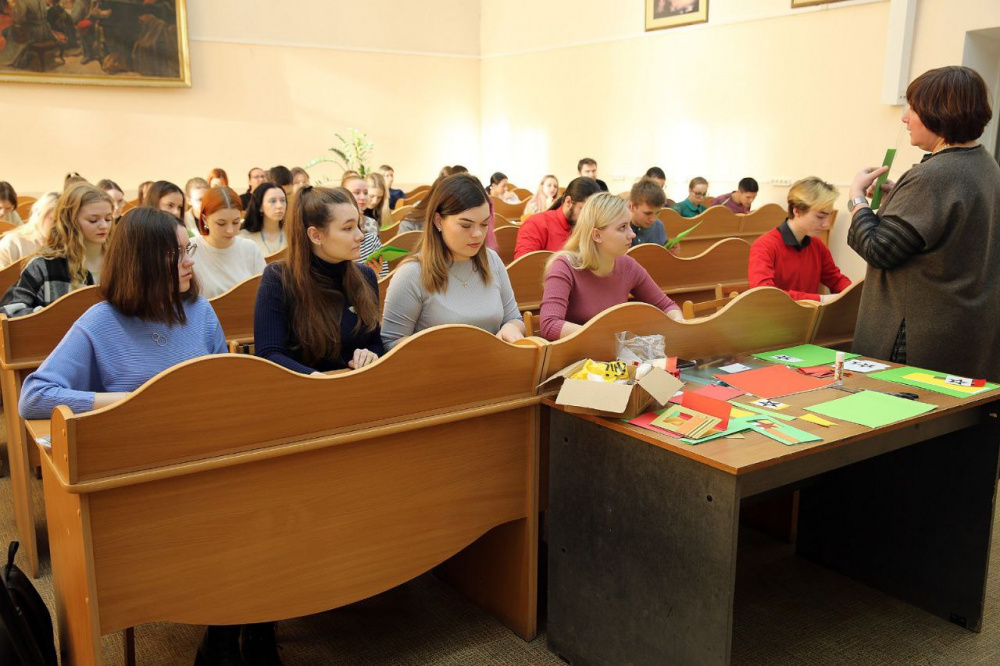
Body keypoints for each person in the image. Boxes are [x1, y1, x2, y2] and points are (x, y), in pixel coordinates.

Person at [847, 66, 1000, 379]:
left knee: (899, 407)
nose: (905, 118)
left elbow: (879, 249)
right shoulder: (986, 165)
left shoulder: (933, 176)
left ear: (938, 114)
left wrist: (856, 199)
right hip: (965, 331)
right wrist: (898, 198)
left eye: (913, 109)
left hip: (917, 336)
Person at [18, 206, 224, 418]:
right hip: (135, 435)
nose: (189, 261)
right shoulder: (101, 321)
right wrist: (131, 401)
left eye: (187, 249)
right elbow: (34, 397)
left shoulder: (201, 311)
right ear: (140, 262)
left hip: (201, 431)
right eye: (175, 253)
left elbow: (227, 382)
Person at [381, 173, 525, 350]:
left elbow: (514, 318)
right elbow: (391, 342)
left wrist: (511, 327)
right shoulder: (412, 274)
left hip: (493, 363)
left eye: (484, 224)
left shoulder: (492, 261)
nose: (478, 234)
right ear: (438, 221)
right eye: (466, 225)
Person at [255, 186, 382, 374]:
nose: (360, 236)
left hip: (355, 384)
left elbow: (375, 341)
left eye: (358, 225)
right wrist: (314, 378)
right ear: (315, 235)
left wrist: (370, 354)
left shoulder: (366, 276)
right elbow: (269, 353)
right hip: (303, 388)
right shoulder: (278, 278)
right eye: (348, 228)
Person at [539, 193, 682, 340]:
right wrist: (604, 337)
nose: (632, 234)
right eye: (622, 227)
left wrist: (679, 322)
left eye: (629, 225)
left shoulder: (628, 266)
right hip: (575, 354)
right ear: (597, 235)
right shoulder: (564, 266)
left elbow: (667, 306)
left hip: (612, 352)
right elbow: (549, 325)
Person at [0, 183, 113, 317]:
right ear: (70, 221)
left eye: (108, 219)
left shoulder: (121, 261)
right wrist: (50, 316)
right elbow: (11, 311)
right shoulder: (44, 266)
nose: (104, 226)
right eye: (93, 220)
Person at [748, 177, 850, 302]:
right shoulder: (765, 246)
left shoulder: (817, 245)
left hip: (810, 312)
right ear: (797, 211)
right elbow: (764, 294)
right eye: (820, 216)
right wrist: (820, 299)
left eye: (828, 216)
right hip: (777, 313)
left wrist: (854, 292)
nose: (827, 224)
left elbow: (835, 279)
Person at [192, 186, 266, 298]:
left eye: (236, 222)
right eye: (221, 223)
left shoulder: (250, 248)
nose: (230, 230)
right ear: (205, 219)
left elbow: (264, 292)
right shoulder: (190, 249)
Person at [513, 177, 602, 259]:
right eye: (585, 210)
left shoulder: (592, 228)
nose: (590, 217)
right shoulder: (536, 223)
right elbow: (524, 266)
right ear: (568, 202)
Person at [0, 191, 57, 269]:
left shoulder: (68, 244)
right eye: (54, 219)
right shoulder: (13, 243)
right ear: (39, 214)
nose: (60, 225)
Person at [240, 182, 287, 257]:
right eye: (273, 201)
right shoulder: (244, 238)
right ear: (260, 206)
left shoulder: (292, 235)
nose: (279, 206)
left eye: (282, 200)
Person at [628, 178, 669, 246]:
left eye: (657, 213)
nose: (653, 219)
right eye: (647, 213)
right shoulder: (621, 229)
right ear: (632, 207)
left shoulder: (658, 226)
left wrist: (670, 251)